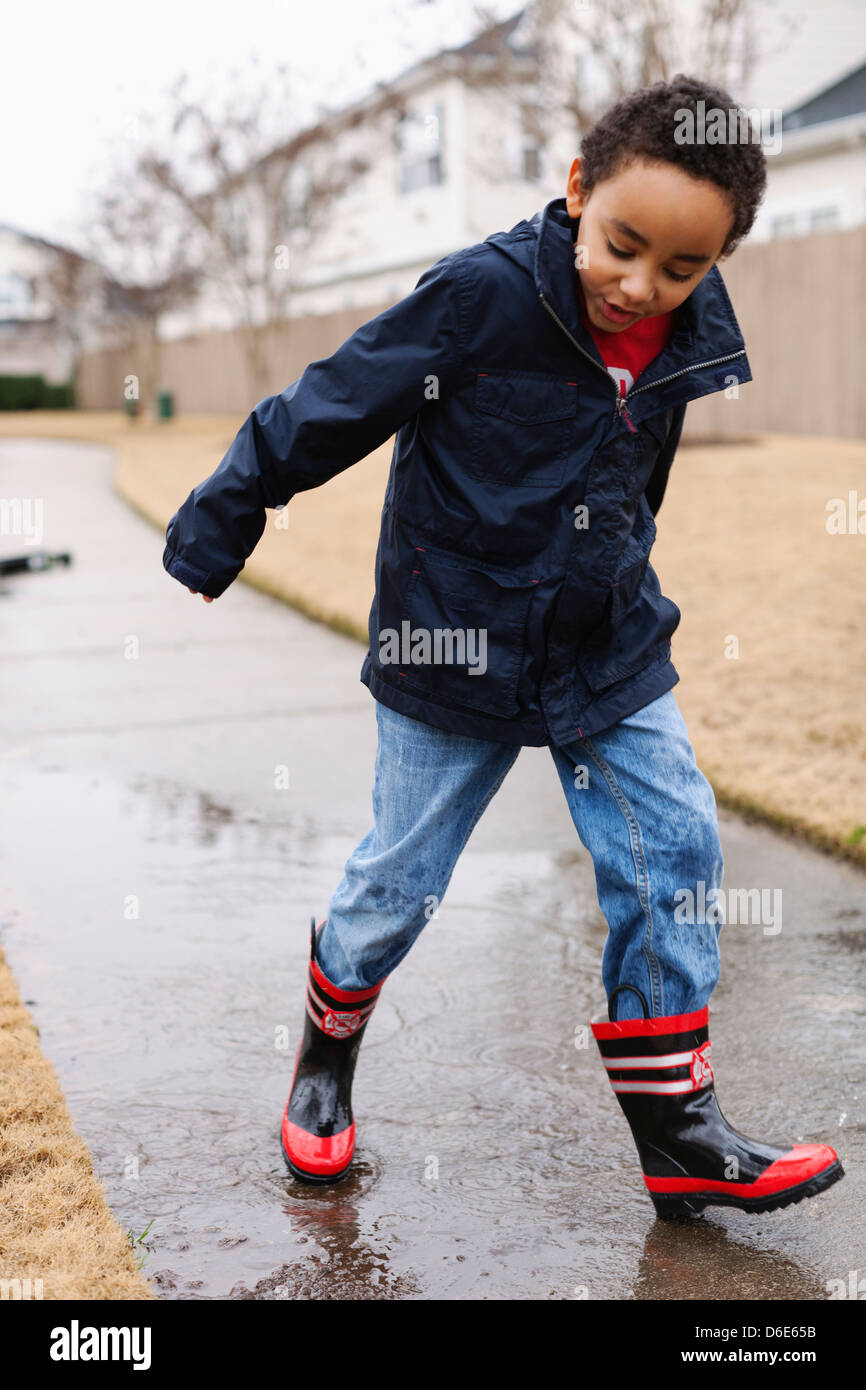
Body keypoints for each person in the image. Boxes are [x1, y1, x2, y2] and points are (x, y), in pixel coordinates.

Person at [164, 75, 843, 1218]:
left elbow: (634, 479)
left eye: (680, 268)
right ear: (576, 189)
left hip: (604, 643)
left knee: (670, 851)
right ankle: (325, 1056)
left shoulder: (686, 332)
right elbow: (332, 402)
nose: (641, 286)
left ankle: (676, 1127)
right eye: (622, 246)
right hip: (453, 636)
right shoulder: (480, 297)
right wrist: (224, 513)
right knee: (399, 880)